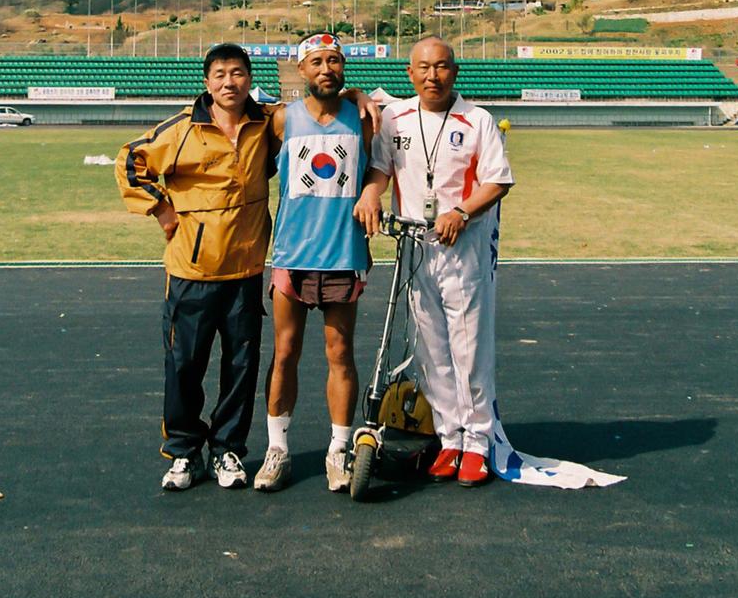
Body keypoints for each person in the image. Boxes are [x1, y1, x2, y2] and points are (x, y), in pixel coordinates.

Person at [357, 38, 624, 492]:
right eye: (423, 67)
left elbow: (497, 181)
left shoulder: (478, 120)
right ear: (409, 72)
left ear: (454, 72)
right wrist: (370, 193)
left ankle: (478, 443)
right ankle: (449, 438)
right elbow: (380, 168)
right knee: (431, 351)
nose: (432, 76)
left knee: (469, 349)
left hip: (463, 250)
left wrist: (460, 212)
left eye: (441, 67)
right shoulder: (396, 119)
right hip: (416, 248)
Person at [116, 42, 381, 494]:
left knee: (242, 367)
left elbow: (340, 114)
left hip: (247, 269)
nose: (228, 82)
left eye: (237, 73)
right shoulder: (190, 127)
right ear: (207, 81)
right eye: (219, 74)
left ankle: (229, 450)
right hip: (194, 268)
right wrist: (160, 209)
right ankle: (184, 453)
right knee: (187, 367)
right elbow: (129, 161)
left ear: (248, 78)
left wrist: (356, 94)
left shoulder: (266, 121)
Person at [253, 34, 372, 495]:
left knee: (340, 356)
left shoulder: (364, 117)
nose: (327, 68)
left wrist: (373, 189)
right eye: (317, 61)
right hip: (291, 256)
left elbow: (380, 165)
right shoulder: (282, 120)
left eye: (335, 61)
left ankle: (337, 451)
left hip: (344, 255)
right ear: (301, 71)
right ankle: (277, 448)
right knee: (285, 353)